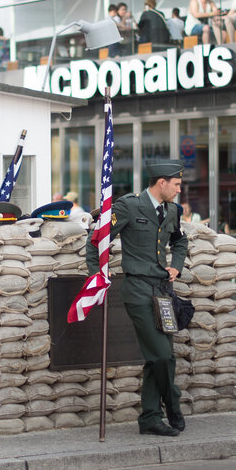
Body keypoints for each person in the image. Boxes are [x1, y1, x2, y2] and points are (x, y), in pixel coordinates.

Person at [86, 161, 188, 437]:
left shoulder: (172, 211)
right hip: (138, 290)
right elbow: (97, 240)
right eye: (177, 185)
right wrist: (97, 276)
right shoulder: (129, 206)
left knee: (159, 358)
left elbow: (180, 241)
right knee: (163, 355)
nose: (180, 190)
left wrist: (176, 265)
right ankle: (173, 405)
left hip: (162, 292)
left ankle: (150, 418)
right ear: (161, 183)